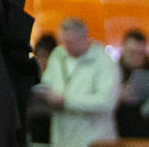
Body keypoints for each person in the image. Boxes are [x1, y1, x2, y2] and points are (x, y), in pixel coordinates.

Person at [35, 17, 120, 147]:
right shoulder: (58, 55)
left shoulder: (104, 61)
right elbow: (47, 84)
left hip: (95, 142)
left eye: (71, 42)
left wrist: (65, 101)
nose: (66, 47)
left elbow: (106, 102)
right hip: (61, 141)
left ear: (84, 38)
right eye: (63, 41)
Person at [117, 28, 149, 137]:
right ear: (123, 49)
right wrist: (117, 96)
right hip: (121, 132)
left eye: (140, 53)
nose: (136, 57)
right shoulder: (113, 72)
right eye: (132, 52)